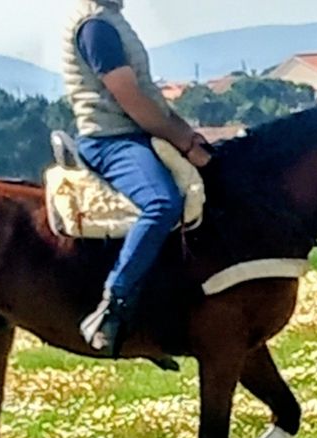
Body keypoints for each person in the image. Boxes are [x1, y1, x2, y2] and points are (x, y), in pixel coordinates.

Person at [64, 0, 212, 356]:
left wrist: (188, 134)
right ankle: (114, 304)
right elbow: (130, 98)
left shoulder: (112, 19)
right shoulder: (95, 26)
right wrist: (181, 141)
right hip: (110, 139)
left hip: (136, 134)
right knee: (161, 203)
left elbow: (147, 94)